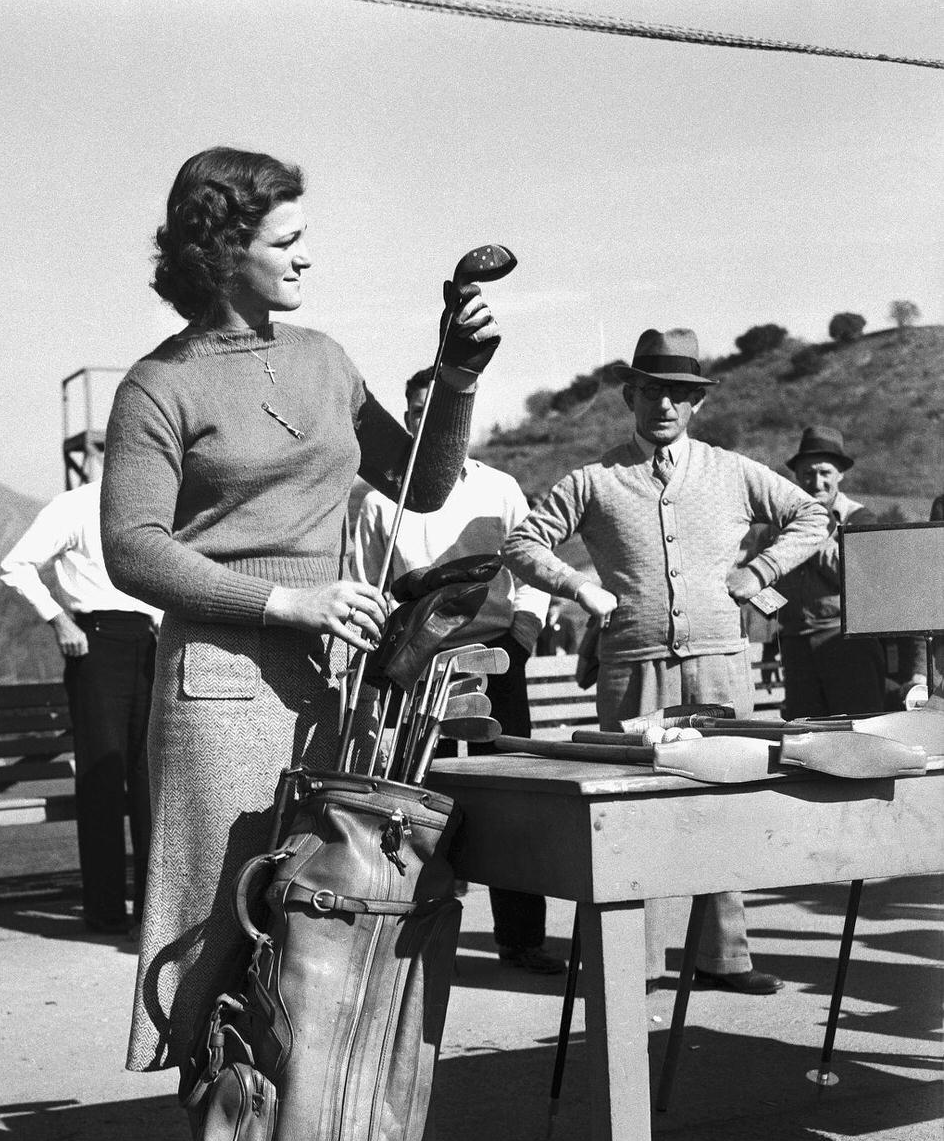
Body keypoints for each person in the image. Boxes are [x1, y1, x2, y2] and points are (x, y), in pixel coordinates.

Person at [101, 146, 500, 1072]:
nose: (305, 258)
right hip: (220, 691)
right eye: (287, 241)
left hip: (334, 680)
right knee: (221, 935)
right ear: (221, 248)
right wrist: (286, 600)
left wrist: (459, 377)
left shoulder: (325, 360)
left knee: (326, 926)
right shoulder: (158, 385)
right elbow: (132, 546)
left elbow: (421, 483)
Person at [500, 327, 828, 996]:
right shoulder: (595, 479)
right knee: (630, 814)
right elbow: (524, 541)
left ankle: (723, 955)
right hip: (632, 665)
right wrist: (582, 587)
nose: (666, 405)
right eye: (653, 391)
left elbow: (811, 515)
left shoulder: (732, 471)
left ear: (698, 403)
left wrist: (760, 569)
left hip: (719, 664)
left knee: (725, 804)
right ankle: (635, 963)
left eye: (681, 394)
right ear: (631, 395)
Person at [355, 366, 563, 974]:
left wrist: (521, 636)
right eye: (421, 412)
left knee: (512, 795)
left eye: (445, 413)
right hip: (418, 668)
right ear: (407, 418)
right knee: (420, 798)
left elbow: (534, 568)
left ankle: (521, 939)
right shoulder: (376, 502)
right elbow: (369, 587)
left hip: (498, 662)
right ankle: (414, 942)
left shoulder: (500, 487)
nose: (432, 423)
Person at [0, 431, 160, 935]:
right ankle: (105, 910)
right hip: (96, 645)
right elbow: (16, 565)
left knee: (150, 784)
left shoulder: (154, 509)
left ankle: (152, 915)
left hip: (150, 643)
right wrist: (58, 620)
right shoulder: (73, 505)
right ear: (100, 455)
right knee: (102, 784)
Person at [772, 425, 888, 718]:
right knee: (805, 736)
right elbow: (765, 584)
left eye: (825, 473)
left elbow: (860, 581)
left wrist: (809, 534)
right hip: (795, 648)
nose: (817, 482)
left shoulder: (860, 518)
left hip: (847, 645)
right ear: (796, 476)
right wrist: (778, 621)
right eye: (808, 474)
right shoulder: (778, 522)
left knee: (858, 731)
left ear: (840, 474)